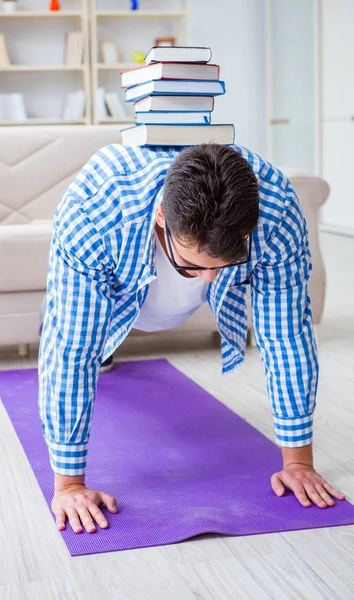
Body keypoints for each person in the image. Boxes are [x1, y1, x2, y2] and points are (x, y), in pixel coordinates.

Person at [38, 143, 344, 535]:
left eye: (222, 265)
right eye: (194, 264)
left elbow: (286, 338)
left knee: (227, 287)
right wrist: (69, 485)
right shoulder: (96, 209)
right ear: (162, 217)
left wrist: (299, 464)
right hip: (119, 288)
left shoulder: (277, 212)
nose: (208, 278)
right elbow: (71, 352)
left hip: (181, 280)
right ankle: (90, 334)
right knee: (83, 340)